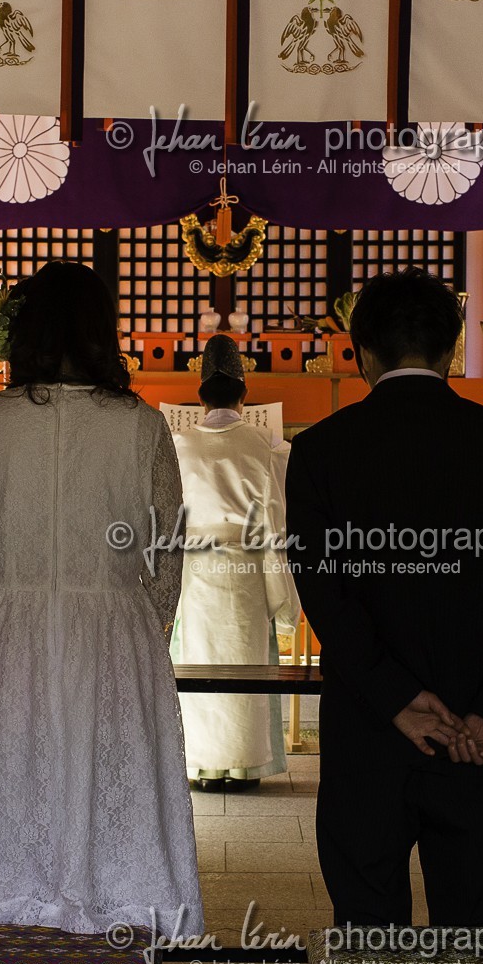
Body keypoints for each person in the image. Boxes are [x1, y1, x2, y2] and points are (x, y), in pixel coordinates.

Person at [0, 261, 203, 938]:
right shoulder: (141, 424)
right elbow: (166, 546)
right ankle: (110, 903)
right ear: (104, 332)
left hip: (2, 622)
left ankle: (5, 898)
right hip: (113, 620)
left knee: (10, 769)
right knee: (107, 775)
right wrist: (145, 628)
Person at [285, 267, 483, 928]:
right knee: (473, 931)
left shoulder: (322, 450)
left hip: (368, 731)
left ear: (362, 351)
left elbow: (325, 595)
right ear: (449, 348)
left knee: (369, 930)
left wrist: (397, 700)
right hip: (476, 735)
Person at [171, 335, 300, 793]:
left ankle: (202, 765)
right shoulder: (260, 446)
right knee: (244, 664)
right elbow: (273, 527)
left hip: (196, 571)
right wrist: (283, 603)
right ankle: (243, 765)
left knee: (198, 659)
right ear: (244, 396)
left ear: (200, 395)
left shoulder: (179, 446)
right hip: (246, 571)